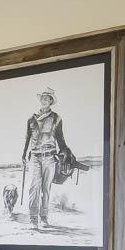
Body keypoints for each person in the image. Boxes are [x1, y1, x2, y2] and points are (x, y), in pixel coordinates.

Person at [19, 86, 77, 229]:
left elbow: (60, 138)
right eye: (43, 98)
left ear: (51, 101)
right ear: (41, 100)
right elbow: (27, 138)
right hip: (35, 158)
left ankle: (44, 218)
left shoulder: (56, 118)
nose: (45, 100)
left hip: (50, 157)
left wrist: (67, 152)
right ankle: (33, 220)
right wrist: (23, 155)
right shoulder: (31, 119)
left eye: (48, 98)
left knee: (46, 189)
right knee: (34, 188)